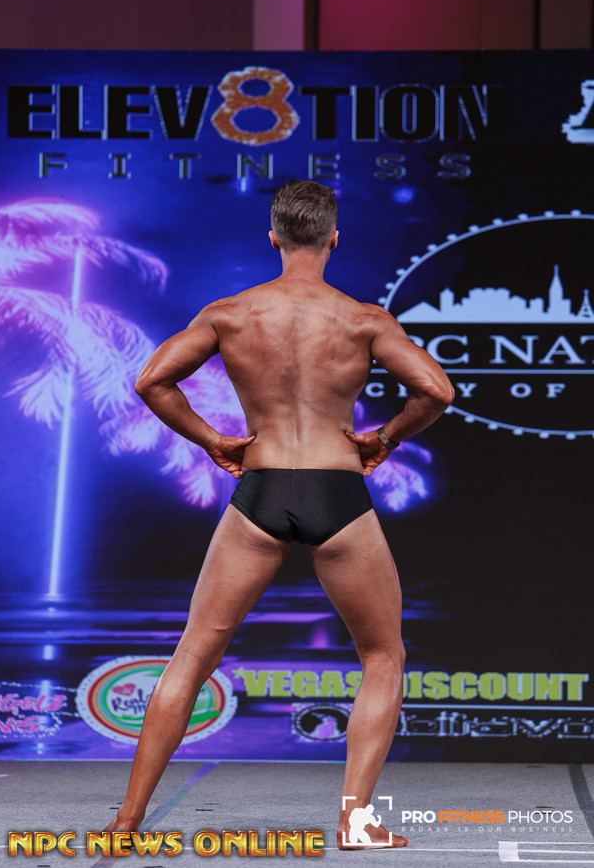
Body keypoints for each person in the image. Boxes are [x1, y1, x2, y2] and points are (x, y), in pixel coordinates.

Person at [105, 179, 454, 849]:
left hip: (261, 491)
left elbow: (151, 380)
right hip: (337, 493)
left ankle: (127, 820)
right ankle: (355, 822)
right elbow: (436, 390)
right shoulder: (364, 319)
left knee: (193, 653)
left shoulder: (230, 314)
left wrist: (213, 440)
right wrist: (386, 437)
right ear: (333, 238)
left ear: (273, 238)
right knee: (383, 656)